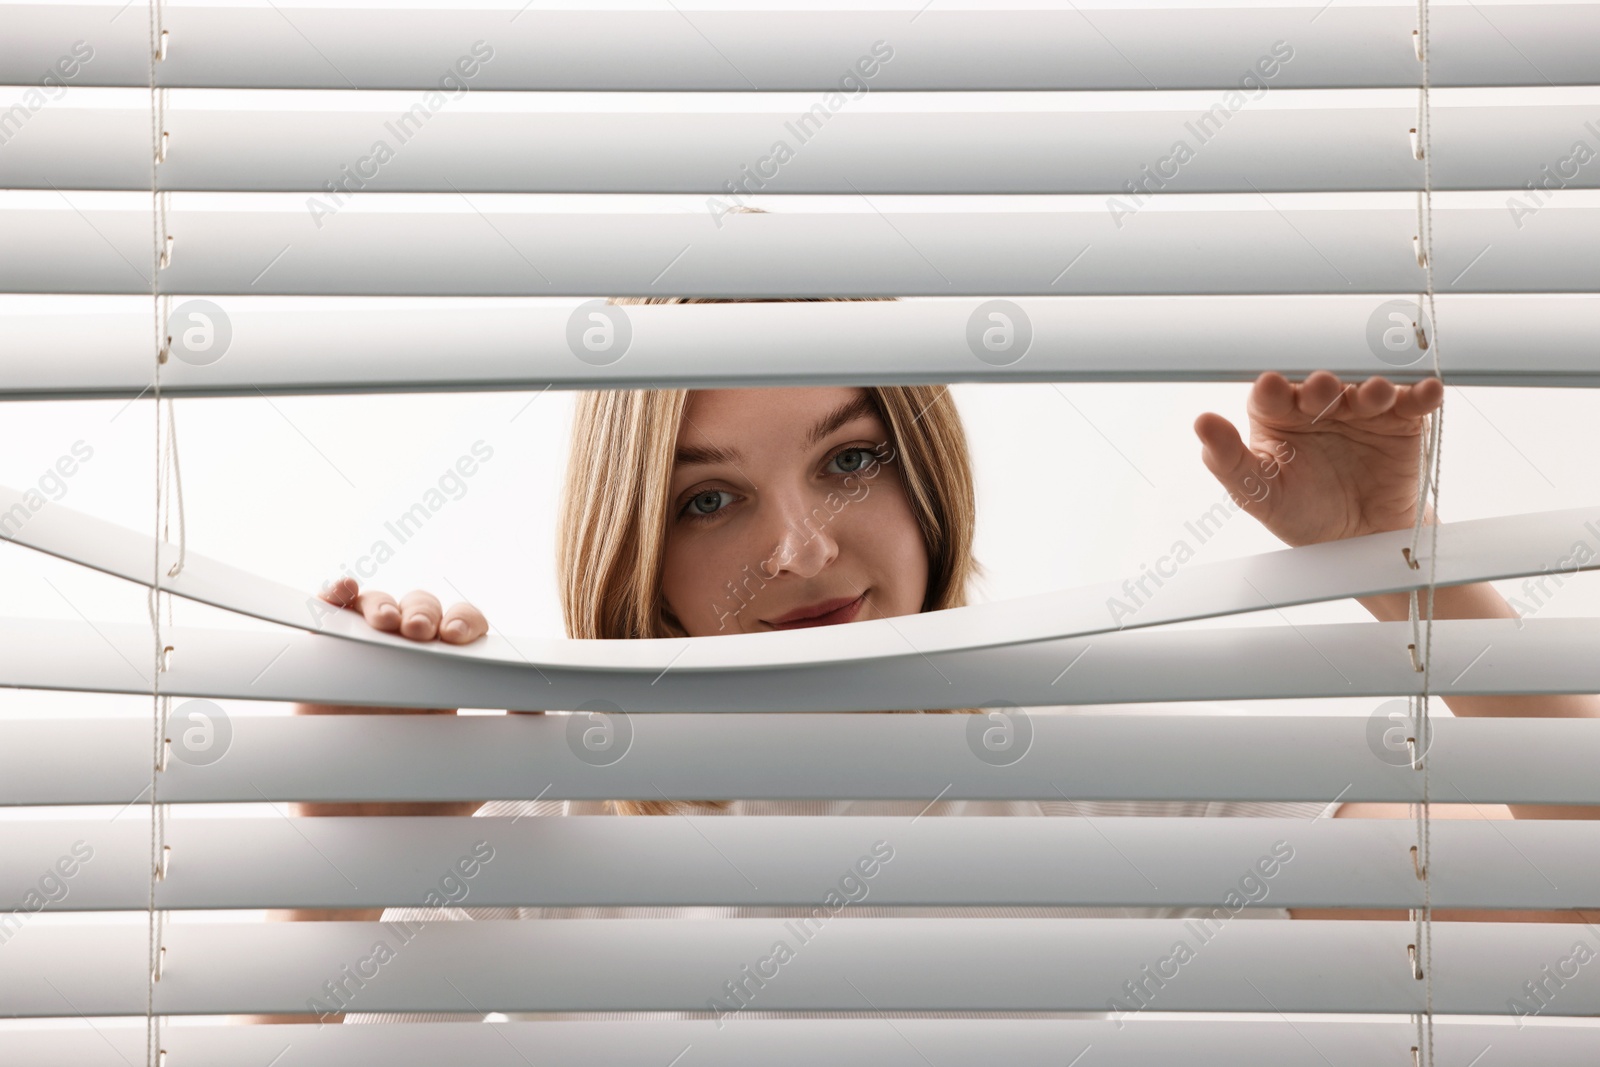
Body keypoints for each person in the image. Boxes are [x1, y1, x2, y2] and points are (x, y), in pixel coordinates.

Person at [267, 305, 1598, 1027]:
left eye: (851, 461)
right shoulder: (534, 866)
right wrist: (344, 868)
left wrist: (1390, 561)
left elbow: (1565, 914)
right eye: (706, 500)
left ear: (927, 478)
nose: (795, 550)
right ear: (632, 544)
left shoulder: (1131, 787)